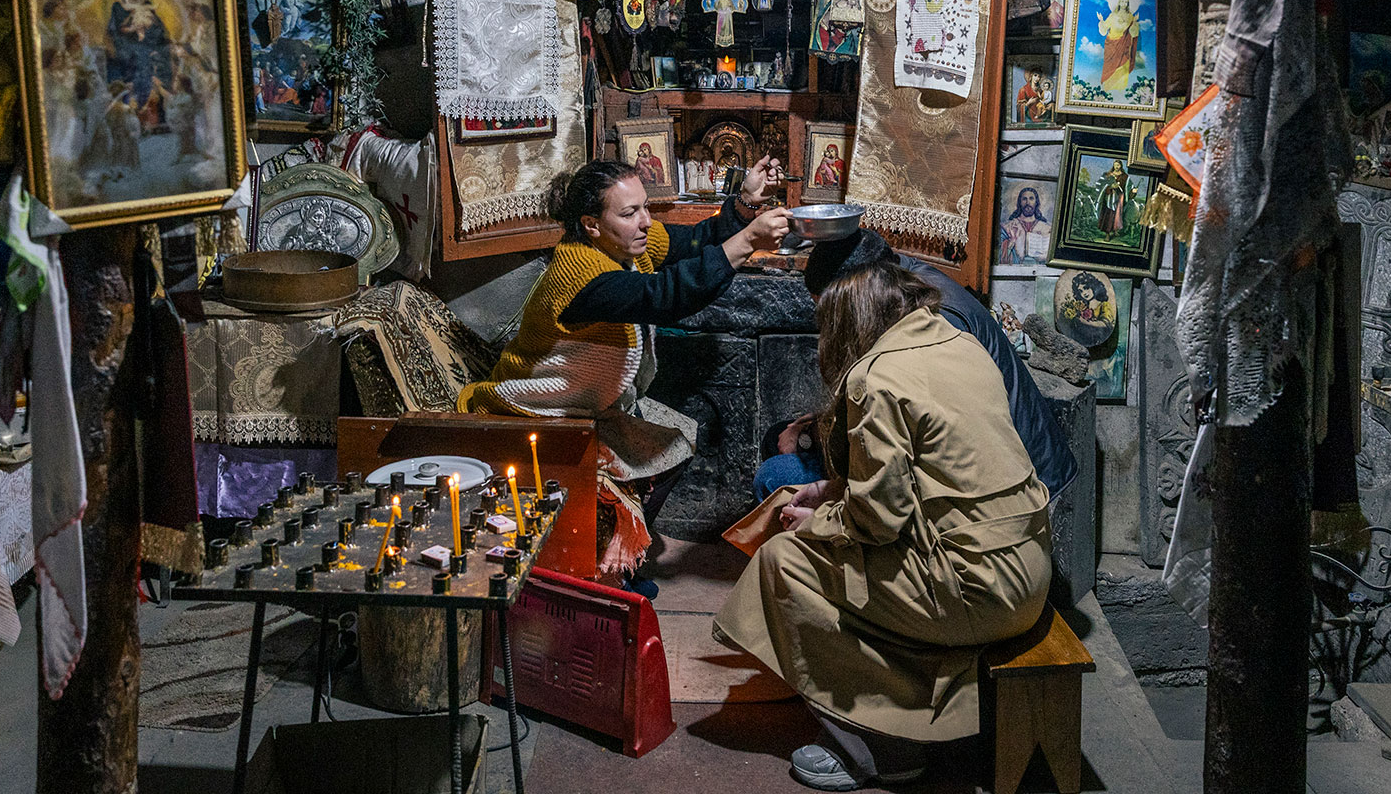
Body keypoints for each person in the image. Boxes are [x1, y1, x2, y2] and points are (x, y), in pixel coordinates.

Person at [716, 261, 1054, 790]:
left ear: (849, 323)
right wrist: (832, 492)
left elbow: (878, 522)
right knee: (822, 544)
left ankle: (881, 746)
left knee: (781, 562)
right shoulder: (959, 345)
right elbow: (930, 477)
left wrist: (814, 525)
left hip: (979, 593)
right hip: (1028, 569)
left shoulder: (876, 377)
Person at [461, 158, 793, 586]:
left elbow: (693, 242)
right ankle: (603, 572)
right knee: (660, 448)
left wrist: (745, 203)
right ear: (591, 224)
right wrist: (749, 239)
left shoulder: (622, 244)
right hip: (537, 407)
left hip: (590, 402)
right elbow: (664, 295)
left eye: (644, 208)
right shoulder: (579, 274)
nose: (644, 222)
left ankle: (620, 562)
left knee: (676, 441)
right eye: (629, 213)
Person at [755, 229, 1076, 502]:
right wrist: (809, 431)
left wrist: (828, 489)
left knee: (776, 475)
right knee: (778, 439)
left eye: (827, 310)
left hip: (1007, 488)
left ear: (851, 297)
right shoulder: (898, 280)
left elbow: (905, 472)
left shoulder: (935, 330)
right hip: (952, 468)